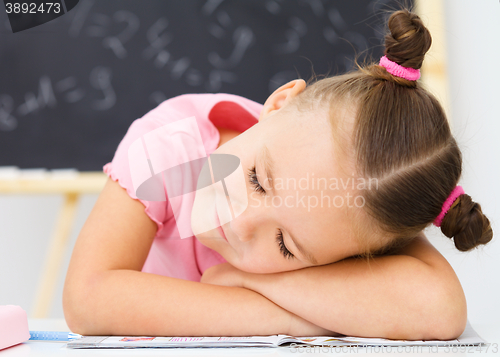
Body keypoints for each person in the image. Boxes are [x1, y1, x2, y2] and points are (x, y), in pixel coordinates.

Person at [63, 9, 492, 340]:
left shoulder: (364, 206)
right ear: (280, 102)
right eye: (256, 180)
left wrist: (243, 279)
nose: (240, 224)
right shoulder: (167, 148)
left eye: (286, 245)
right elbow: (87, 299)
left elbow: (442, 308)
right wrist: (292, 318)